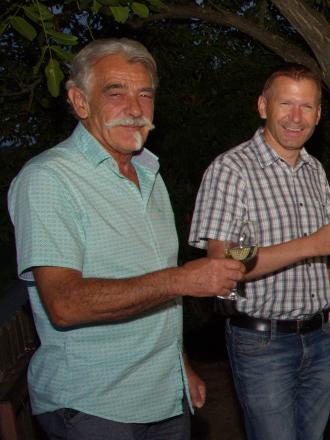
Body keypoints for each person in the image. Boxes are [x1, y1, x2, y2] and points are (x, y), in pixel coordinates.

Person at [7, 38, 244, 439]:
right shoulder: (48, 179)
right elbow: (63, 303)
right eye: (115, 93)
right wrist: (184, 279)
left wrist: (179, 365)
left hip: (163, 398)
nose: (135, 109)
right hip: (91, 406)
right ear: (80, 102)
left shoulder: (150, 175)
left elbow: (152, 286)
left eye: (145, 95)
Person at [187, 63, 330, 440]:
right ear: (263, 106)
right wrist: (311, 243)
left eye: (307, 107)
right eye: (286, 104)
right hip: (262, 343)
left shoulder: (314, 170)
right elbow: (221, 263)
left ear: (319, 115)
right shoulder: (232, 169)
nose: (296, 117)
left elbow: (322, 262)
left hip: (317, 337)